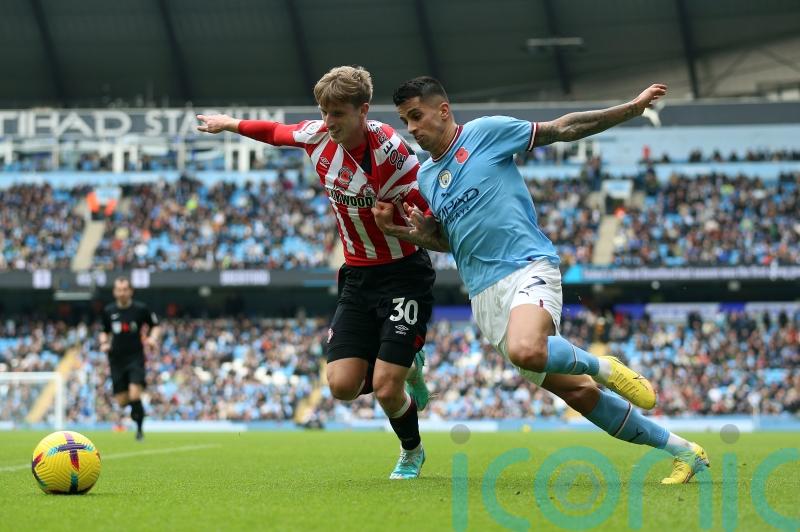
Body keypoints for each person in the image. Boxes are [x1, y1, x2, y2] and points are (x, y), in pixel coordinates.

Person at [374, 76, 709, 484]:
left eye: (416, 116)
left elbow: (562, 128)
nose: (411, 128)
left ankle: (603, 365)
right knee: (579, 394)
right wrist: (409, 233)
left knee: (528, 349)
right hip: (484, 296)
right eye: (405, 120)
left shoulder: (485, 133)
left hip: (527, 267)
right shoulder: (427, 178)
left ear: (442, 110)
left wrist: (631, 108)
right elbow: (451, 242)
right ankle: (683, 452)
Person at [197, 66, 432, 479]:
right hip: (357, 276)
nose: (328, 122)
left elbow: (427, 212)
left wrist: (396, 223)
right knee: (342, 386)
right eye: (323, 111)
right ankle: (406, 362)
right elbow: (274, 132)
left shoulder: (393, 152)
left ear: (363, 110)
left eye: (337, 113)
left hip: (403, 273)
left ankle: (411, 450)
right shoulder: (318, 136)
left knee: (385, 387)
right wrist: (228, 124)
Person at [99, 277, 160, 441]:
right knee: (122, 401)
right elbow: (104, 330)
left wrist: (153, 338)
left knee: (134, 394)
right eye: (119, 289)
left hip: (135, 357)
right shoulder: (109, 311)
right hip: (116, 359)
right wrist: (104, 342)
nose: (122, 293)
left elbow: (155, 325)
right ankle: (137, 411)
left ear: (131, 291)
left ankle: (139, 430)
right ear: (114, 292)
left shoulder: (140, 309)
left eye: (125, 289)